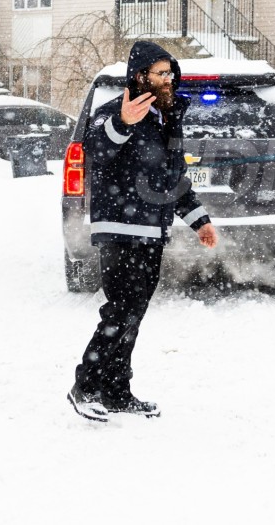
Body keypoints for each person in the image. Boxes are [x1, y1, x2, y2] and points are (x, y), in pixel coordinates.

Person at [68, 42, 219, 423]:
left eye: (170, 73)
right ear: (140, 76)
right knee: (120, 311)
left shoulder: (167, 118)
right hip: (120, 228)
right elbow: (95, 149)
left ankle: (117, 391)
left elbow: (173, 179)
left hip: (153, 230)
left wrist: (199, 220)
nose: (169, 80)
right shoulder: (114, 111)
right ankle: (85, 387)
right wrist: (122, 123)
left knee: (134, 313)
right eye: (161, 73)